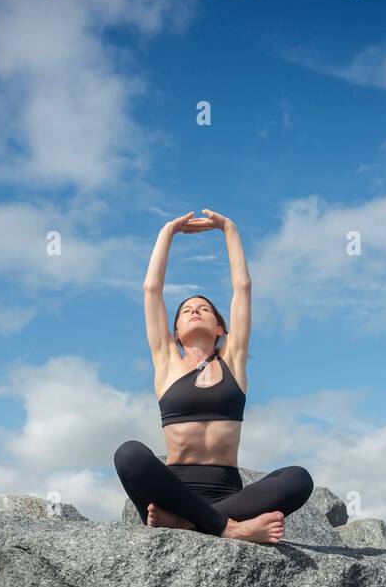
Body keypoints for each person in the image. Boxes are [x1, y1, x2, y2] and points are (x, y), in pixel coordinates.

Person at [114, 208, 314, 544]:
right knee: (128, 454)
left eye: (204, 308)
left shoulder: (233, 359)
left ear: (220, 327)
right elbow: (151, 290)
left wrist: (229, 229)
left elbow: (243, 287)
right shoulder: (166, 361)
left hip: (227, 494)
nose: (194, 310)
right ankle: (229, 529)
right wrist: (168, 231)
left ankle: (192, 523)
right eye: (186, 310)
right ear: (175, 331)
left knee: (299, 478)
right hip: (172, 492)